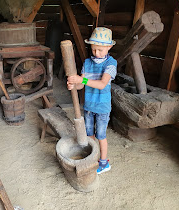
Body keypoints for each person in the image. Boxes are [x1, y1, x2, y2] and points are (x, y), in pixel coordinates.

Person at [67, 27, 117, 174]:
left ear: (109, 47)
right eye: (94, 49)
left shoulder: (111, 64)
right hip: (89, 105)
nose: (96, 53)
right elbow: (81, 85)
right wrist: (73, 84)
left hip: (102, 107)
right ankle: (92, 158)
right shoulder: (87, 62)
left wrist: (81, 79)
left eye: (100, 50)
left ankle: (104, 163)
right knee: (90, 135)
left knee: (101, 136)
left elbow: (101, 85)